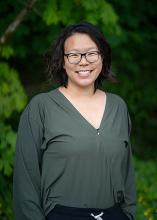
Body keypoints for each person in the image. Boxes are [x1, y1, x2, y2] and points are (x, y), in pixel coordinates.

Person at [13, 22, 136, 220]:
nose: (83, 61)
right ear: (62, 61)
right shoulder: (41, 107)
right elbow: (25, 182)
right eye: (74, 55)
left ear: (102, 57)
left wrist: (128, 214)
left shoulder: (118, 107)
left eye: (91, 53)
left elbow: (127, 172)